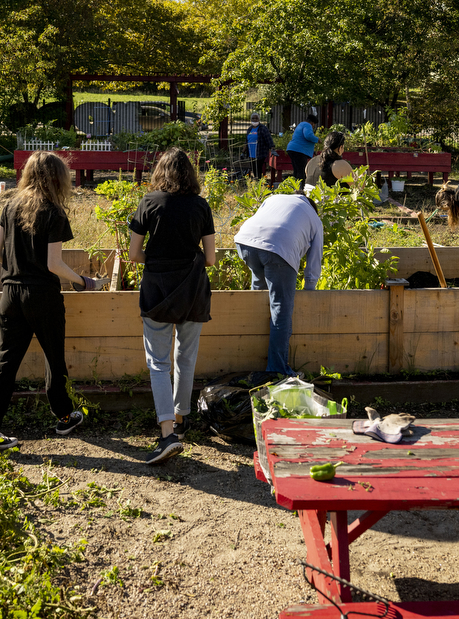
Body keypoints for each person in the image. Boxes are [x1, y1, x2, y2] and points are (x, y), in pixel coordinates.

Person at [0, 151, 101, 450]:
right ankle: (63, 416)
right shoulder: (53, 212)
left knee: (5, 363)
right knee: (53, 357)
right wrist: (85, 282)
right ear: (59, 178)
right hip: (43, 296)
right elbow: (53, 264)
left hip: (10, 295)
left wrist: (19, 267)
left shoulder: (10, 205)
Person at [127, 148, 216, 465]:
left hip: (158, 292)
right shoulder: (201, 206)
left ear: (160, 173)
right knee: (186, 357)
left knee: (158, 363)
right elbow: (210, 259)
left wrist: (159, 260)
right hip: (193, 290)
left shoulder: (149, 202)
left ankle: (166, 433)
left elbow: (134, 254)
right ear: (191, 174)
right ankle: (180, 422)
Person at [233, 191, 323, 375]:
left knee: (259, 293)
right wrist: (309, 291)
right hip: (279, 249)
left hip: (244, 242)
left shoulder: (273, 198)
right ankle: (277, 371)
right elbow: (314, 261)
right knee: (281, 309)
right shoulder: (314, 218)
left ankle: (247, 358)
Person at [285, 111, 319, 182]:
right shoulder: (307, 125)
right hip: (299, 151)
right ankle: (301, 189)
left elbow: (301, 139)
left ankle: (295, 187)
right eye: (314, 125)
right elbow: (308, 136)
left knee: (296, 170)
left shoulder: (301, 124)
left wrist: (312, 151)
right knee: (301, 171)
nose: (313, 127)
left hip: (293, 149)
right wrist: (317, 139)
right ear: (312, 123)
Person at [245, 113, 272, 181]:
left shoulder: (263, 128)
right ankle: (256, 180)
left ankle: (259, 181)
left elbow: (268, 139)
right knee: (254, 167)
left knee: (258, 167)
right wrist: (243, 152)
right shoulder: (250, 129)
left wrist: (272, 148)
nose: (254, 120)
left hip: (260, 151)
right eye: (253, 118)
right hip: (251, 152)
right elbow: (247, 141)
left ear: (259, 119)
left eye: (256, 118)